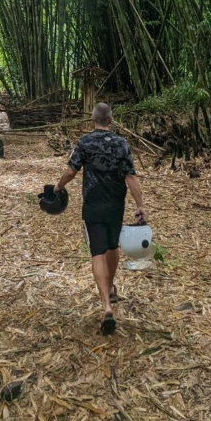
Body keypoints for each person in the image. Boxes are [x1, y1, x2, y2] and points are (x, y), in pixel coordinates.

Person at [53, 102, 146, 335]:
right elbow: (131, 178)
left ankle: (106, 305)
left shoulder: (84, 142)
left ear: (92, 121)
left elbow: (71, 171)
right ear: (111, 121)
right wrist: (140, 205)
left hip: (93, 204)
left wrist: (58, 186)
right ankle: (111, 287)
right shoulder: (122, 144)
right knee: (112, 246)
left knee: (97, 252)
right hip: (116, 204)